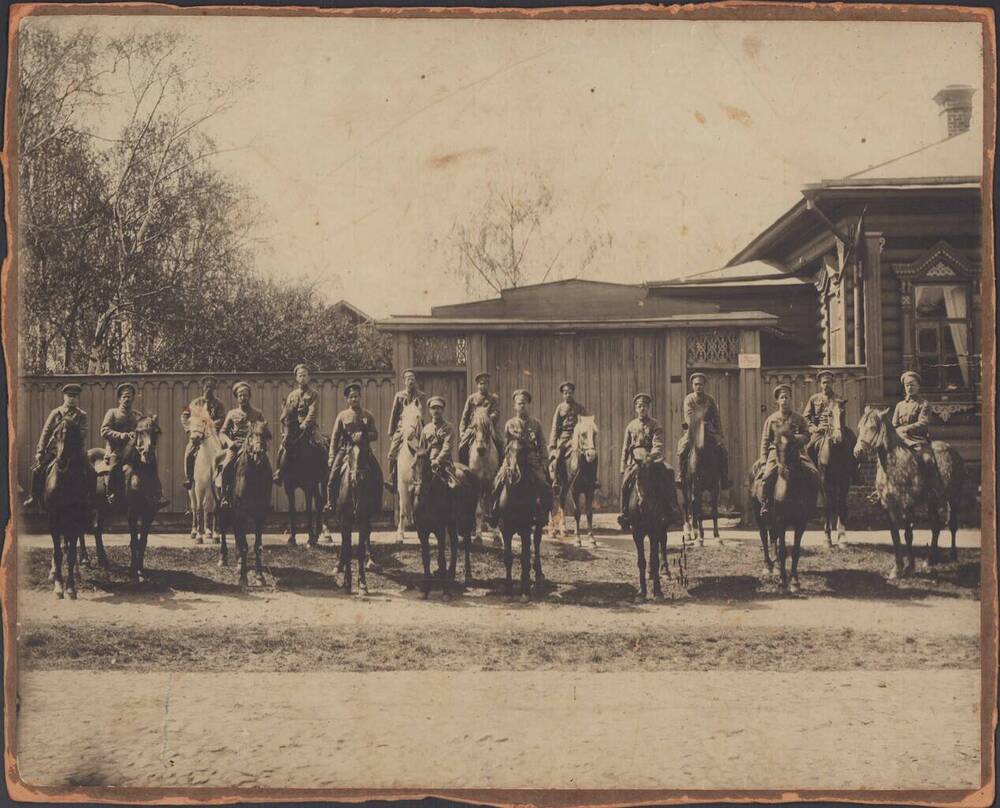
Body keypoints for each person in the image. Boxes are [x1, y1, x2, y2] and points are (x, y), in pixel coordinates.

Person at [100, 382, 170, 509]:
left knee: (151, 462)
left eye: (130, 396)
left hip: (134, 450)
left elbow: (144, 430)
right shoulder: (113, 413)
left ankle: (158, 494)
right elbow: (104, 431)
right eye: (124, 396)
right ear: (119, 399)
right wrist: (122, 435)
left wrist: (151, 423)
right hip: (116, 449)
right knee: (113, 466)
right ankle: (110, 494)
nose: (127, 399)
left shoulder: (137, 415)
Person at [755, 384, 820, 520]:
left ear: (791, 399)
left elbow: (807, 436)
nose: (784, 400)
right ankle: (766, 504)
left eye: (787, 397)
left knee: (814, 472)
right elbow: (765, 441)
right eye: (782, 398)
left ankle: (812, 506)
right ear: (777, 401)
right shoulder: (771, 419)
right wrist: (763, 460)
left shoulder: (798, 418)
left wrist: (795, 438)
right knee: (767, 477)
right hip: (776, 453)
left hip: (797, 452)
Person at [489, 389, 552, 524]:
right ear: (515, 406)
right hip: (512, 458)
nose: (521, 406)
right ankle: (495, 512)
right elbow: (506, 445)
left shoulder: (536, 424)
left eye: (524, 403)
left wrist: (544, 462)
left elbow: (542, 444)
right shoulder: (510, 424)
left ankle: (543, 514)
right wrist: (506, 461)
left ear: (528, 404)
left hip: (530, 459)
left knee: (543, 483)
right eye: (519, 403)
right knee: (497, 482)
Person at [23, 383, 89, 508]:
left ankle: (90, 499)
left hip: (75, 452)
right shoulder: (56, 413)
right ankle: (34, 497)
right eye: (69, 396)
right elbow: (46, 432)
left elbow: (83, 433)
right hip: (55, 451)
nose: (72, 399)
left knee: (90, 471)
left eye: (75, 396)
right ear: (64, 397)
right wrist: (40, 451)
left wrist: (71, 426)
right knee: (37, 470)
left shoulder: (81, 415)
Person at [617, 393, 673, 530]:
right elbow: (625, 447)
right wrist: (623, 465)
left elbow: (658, 445)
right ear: (636, 408)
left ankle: (671, 509)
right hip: (635, 460)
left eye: (644, 406)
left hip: (651, 458)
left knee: (669, 472)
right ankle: (624, 514)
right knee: (625, 483)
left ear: (648, 408)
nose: (642, 409)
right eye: (639, 406)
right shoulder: (631, 426)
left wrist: (651, 457)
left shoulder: (655, 424)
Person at [325, 381, 380, 512]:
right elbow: (335, 437)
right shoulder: (342, 416)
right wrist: (332, 456)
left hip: (364, 451)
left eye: (356, 396)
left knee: (378, 474)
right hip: (346, 450)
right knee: (332, 476)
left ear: (360, 397)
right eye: (351, 397)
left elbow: (375, 434)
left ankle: (377, 504)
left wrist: (365, 435)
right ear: (347, 400)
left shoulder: (368, 415)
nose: (354, 399)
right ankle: (330, 503)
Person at [891, 370, 945, 497]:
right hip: (900, 440)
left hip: (917, 440)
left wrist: (905, 429)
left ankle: (930, 489)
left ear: (918, 386)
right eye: (907, 385)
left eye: (912, 384)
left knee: (927, 460)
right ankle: (883, 488)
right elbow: (894, 424)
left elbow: (923, 423)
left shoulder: (924, 404)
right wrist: (898, 431)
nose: (909, 387)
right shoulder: (900, 405)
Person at [676, 372, 730, 489]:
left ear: (704, 385)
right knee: (682, 448)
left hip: (708, 429)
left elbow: (716, 416)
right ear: (692, 385)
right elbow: (688, 416)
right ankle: (680, 475)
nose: (698, 386)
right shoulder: (688, 399)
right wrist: (695, 425)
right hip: (693, 429)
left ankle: (724, 478)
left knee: (723, 450)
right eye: (696, 384)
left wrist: (719, 433)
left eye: (700, 384)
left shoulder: (710, 400)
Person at [803, 370, 859, 481]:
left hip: (836, 428)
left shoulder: (838, 399)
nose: (826, 385)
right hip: (820, 430)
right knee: (809, 447)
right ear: (820, 384)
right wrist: (814, 428)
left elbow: (841, 416)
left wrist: (839, 427)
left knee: (852, 440)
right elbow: (806, 417)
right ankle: (811, 473)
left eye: (828, 382)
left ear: (832, 383)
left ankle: (854, 472)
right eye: (824, 382)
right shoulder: (814, 399)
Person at [218, 381, 267, 509]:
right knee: (226, 467)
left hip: (253, 447)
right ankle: (225, 497)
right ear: (237, 398)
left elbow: (264, 431)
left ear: (249, 396)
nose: (242, 398)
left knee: (266, 468)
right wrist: (229, 442)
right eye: (240, 395)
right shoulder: (232, 414)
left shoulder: (257, 413)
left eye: (245, 395)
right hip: (237, 446)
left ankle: (265, 499)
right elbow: (222, 432)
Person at [273, 363, 322, 485]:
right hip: (293, 429)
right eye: (300, 376)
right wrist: (284, 431)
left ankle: (324, 470)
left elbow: (312, 412)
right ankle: (279, 473)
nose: (302, 378)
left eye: (305, 375)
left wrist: (304, 424)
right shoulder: (292, 395)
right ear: (296, 378)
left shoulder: (314, 394)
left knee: (320, 445)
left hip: (309, 428)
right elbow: (286, 415)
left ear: (308, 377)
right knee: (282, 448)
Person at [181, 375, 226, 491]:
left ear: (214, 388)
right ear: (203, 387)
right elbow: (184, 416)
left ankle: (221, 477)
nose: (208, 389)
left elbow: (222, 418)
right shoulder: (195, 402)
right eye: (207, 386)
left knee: (224, 450)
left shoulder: (219, 404)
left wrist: (211, 425)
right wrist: (190, 429)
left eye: (211, 387)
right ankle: (189, 478)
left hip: (213, 434)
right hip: (198, 434)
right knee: (189, 451)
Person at [385, 368, 426, 493]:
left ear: (415, 380)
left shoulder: (421, 396)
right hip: (402, 427)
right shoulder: (399, 396)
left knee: (426, 451)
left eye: (412, 378)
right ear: (404, 381)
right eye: (408, 378)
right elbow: (394, 414)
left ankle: (426, 477)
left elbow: (422, 413)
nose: (410, 381)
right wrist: (392, 432)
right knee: (392, 453)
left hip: (417, 427)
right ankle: (392, 478)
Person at [457, 372, 505, 464]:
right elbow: (465, 416)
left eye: (485, 384)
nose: (483, 386)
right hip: (474, 427)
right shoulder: (472, 398)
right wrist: (462, 432)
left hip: (489, 427)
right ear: (477, 385)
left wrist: (488, 418)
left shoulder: (493, 398)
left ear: (488, 385)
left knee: (500, 443)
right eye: (481, 384)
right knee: (462, 446)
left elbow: (497, 412)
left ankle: (501, 467)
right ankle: (464, 467)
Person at [548, 380, 588, 488]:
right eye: (565, 393)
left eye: (570, 392)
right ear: (563, 395)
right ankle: (556, 481)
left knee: (589, 455)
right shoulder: (560, 408)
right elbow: (555, 427)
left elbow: (586, 424)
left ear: (573, 393)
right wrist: (552, 445)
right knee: (558, 456)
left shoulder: (579, 408)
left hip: (578, 437)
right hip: (564, 438)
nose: (568, 395)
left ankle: (592, 480)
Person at [423, 395, 458, 488]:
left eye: (438, 408)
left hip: (444, 463)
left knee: (454, 487)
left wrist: (437, 461)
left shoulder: (448, 427)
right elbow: (421, 448)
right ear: (430, 411)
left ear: (442, 410)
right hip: (427, 463)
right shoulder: (426, 429)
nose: (436, 411)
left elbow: (447, 447)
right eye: (433, 408)